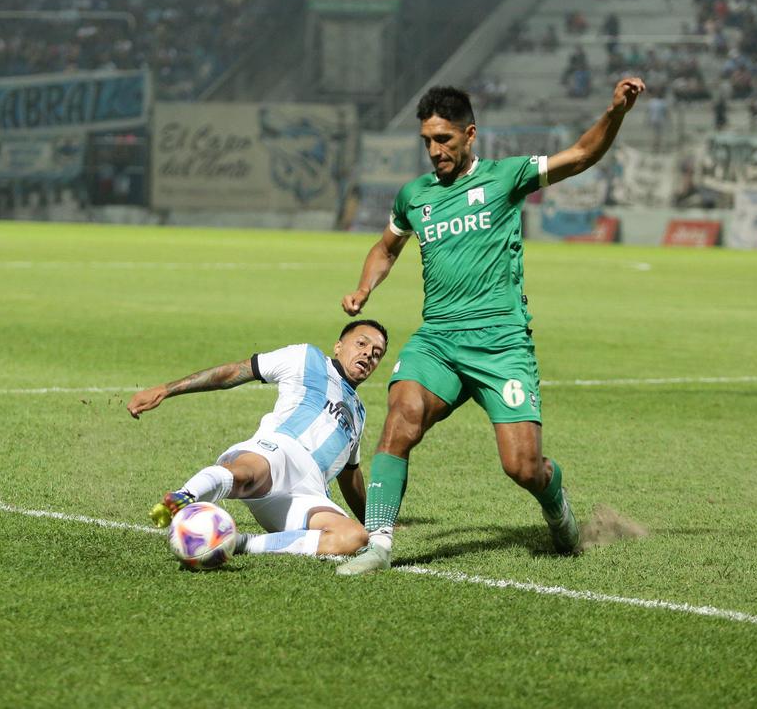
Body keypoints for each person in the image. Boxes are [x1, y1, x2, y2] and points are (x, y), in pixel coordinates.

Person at [336, 77, 645, 575]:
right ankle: (379, 542)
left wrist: (616, 113)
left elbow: (582, 155)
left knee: (522, 467)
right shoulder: (414, 195)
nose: (434, 151)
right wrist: (365, 287)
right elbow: (386, 247)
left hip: (501, 345)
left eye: (444, 140)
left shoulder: (506, 177)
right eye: (427, 142)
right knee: (400, 417)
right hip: (438, 339)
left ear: (470, 134)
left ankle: (558, 505)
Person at [126, 320, 388, 558]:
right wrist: (166, 390)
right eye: (361, 343)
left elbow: (350, 474)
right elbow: (234, 372)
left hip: (309, 492)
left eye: (377, 354)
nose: (368, 354)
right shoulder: (306, 357)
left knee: (353, 538)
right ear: (339, 346)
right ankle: (185, 496)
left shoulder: (359, 413)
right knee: (248, 472)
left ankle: (237, 543)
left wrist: (373, 524)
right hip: (279, 450)